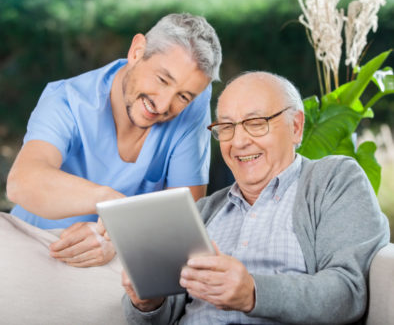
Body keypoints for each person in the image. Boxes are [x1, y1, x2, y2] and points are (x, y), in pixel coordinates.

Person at [121, 71, 389, 324]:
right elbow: (163, 316)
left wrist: (253, 292)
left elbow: (347, 293)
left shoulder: (333, 180)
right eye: (226, 127)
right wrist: (149, 303)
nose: (238, 142)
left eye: (256, 123)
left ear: (295, 126)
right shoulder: (204, 212)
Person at [6, 13, 222, 268]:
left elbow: (185, 215)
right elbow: (22, 183)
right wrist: (111, 203)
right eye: (162, 80)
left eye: (183, 96)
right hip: (38, 247)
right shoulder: (66, 100)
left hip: (117, 259)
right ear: (137, 51)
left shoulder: (193, 102)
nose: (164, 105)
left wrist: (121, 236)